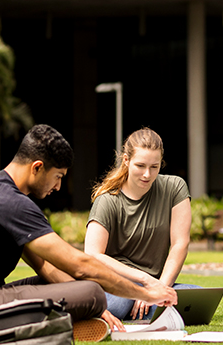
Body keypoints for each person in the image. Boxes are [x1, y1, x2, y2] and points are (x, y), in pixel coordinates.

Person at [0, 124, 177, 340]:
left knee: (87, 290)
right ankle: (61, 325)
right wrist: (145, 291)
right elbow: (80, 264)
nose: (58, 186)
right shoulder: (10, 203)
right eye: (57, 177)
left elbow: (45, 265)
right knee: (91, 292)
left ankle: (72, 320)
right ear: (36, 167)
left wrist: (90, 304)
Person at [84, 128, 199, 321]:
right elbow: (93, 254)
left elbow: (180, 244)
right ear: (126, 161)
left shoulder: (175, 187)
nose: (147, 174)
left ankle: (148, 306)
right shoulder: (107, 200)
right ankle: (144, 307)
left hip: (157, 283)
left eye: (154, 167)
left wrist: (160, 288)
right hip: (115, 283)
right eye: (140, 166)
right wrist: (144, 283)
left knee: (196, 298)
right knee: (119, 304)